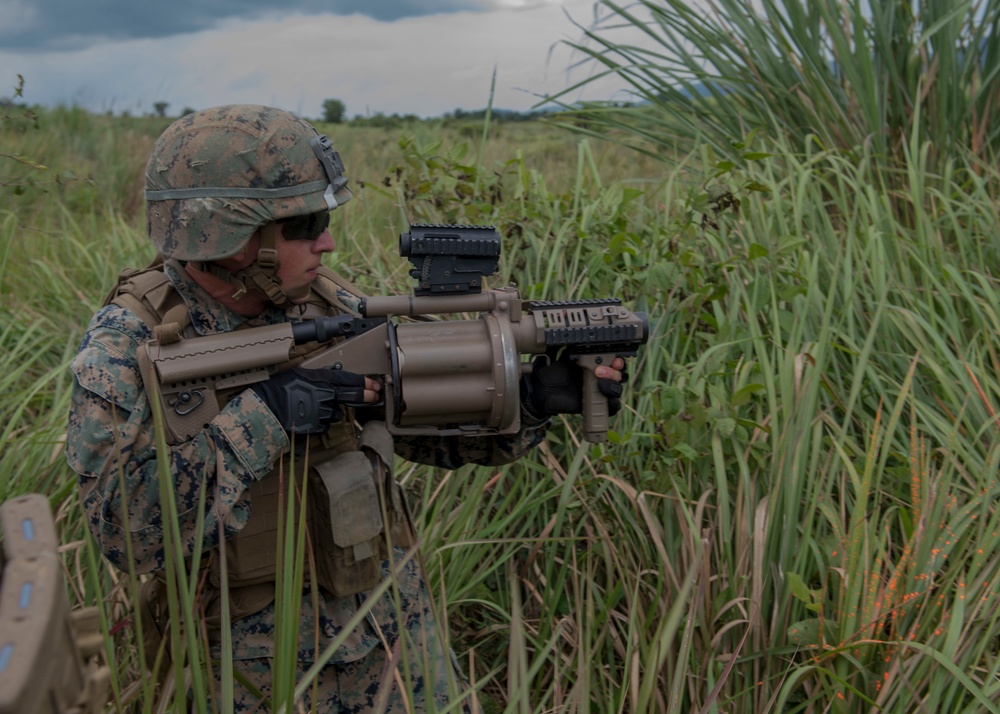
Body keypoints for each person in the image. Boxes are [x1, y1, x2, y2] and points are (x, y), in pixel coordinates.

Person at [66, 104, 627, 712]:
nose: (327, 242)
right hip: (245, 664)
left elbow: (421, 428)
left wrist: (533, 399)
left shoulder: (326, 307)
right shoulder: (130, 346)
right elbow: (128, 534)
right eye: (304, 224)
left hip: (387, 630)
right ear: (225, 236)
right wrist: (269, 415)